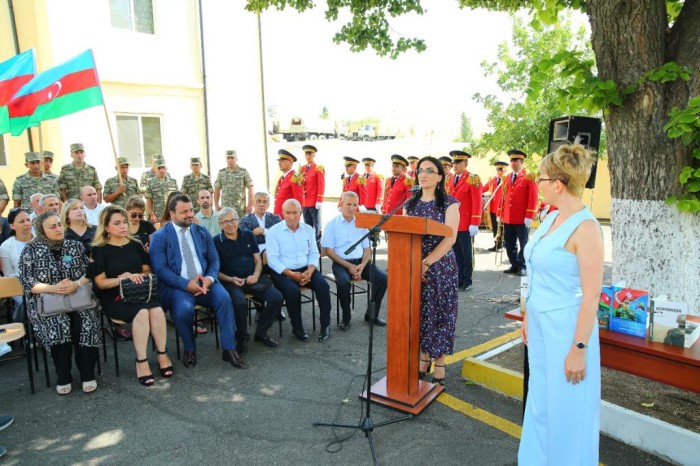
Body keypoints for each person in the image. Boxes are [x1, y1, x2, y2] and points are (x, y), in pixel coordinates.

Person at [518, 142, 602, 465]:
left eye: (540, 178)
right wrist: (527, 315)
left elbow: (591, 294)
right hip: (540, 327)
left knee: (567, 411)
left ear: (557, 184)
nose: (536, 183)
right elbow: (536, 269)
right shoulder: (551, 218)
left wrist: (579, 348)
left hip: (567, 331)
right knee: (541, 405)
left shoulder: (587, 228)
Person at [149, 194, 244, 369]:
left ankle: (229, 349)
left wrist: (208, 279)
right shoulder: (160, 237)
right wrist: (186, 284)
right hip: (178, 286)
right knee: (183, 310)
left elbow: (214, 260)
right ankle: (190, 349)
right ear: (172, 214)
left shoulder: (201, 232)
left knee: (224, 299)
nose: (190, 214)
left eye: (191, 210)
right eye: (184, 211)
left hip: (205, 282)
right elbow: (160, 269)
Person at [18, 212, 101, 395]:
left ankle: (88, 373)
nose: (59, 229)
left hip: (77, 299)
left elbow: (89, 272)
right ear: (41, 230)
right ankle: (63, 375)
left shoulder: (75, 246)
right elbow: (27, 282)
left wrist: (75, 284)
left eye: (59, 224)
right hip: (47, 302)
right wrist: (54, 288)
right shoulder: (30, 250)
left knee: (85, 322)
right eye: (52, 226)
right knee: (58, 324)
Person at [92, 206, 174, 386]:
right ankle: (141, 361)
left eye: (124, 222)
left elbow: (147, 270)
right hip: (115, 296)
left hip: (141, 292)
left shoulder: (135, 244)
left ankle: (162, 353)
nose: (123, 226)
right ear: (106, 227)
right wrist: (122, 279)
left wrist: (137, 277)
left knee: (158, 310)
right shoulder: (100, 250)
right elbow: (100, 283)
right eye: (117, 223)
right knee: (143, 313)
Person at [405, 156, 459, 386]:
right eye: (420, 170)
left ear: (439, 177)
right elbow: (405, 236)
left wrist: (426, 263)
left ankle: (440, 362)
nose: (423, 174)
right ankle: (424, 357)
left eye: (429, 170)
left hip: (440, 266)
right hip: (415, 266)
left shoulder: (449, 203)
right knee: (422, 315)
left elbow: (450, 237)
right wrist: (414, 264)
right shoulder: (410, 204)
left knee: (440, 315)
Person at [214, 207, 283, 351]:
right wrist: (231, 279)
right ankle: (242, 338)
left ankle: (261, 332)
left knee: (276, 297)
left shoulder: (248, 235)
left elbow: (258, 260)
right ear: (220, 224)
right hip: (231, 282)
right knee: (239, 303)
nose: (230, 224)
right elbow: (215, 271)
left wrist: (256, 275)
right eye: (225, 221)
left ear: (238, 220)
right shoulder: (216, 242)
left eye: (233, 220)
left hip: (253, 278)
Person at [266, 199, 332, 342]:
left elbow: (314, 253)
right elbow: (272, 260)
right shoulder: (274, 232)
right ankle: (297, 328)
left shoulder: (307, 229)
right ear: (282, 213)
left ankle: (325, 325)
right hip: (283, 272)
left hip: (306, 269)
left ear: (300, 213)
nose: (291, 216)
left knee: (323, 286)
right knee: (292, 291)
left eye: (295, 212)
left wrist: (310, 270)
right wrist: (291, 274)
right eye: (288, 213)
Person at [322, 192, 387, 330]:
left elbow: (367, 250)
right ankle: (346, 317)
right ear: (341, 204)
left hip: (360, 262)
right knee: (343, 283)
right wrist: (350, 266)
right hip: (341, 262)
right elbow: (330, 252)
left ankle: (372, 314)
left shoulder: (361, 223)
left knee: (382, 278)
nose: (351, 208)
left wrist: (362, 266)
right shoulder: (332, 224)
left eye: (355, 205)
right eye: (348, 204)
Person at [499, 149, 538, 276]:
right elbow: (503, 197)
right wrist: (500, 213)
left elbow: (533, 197)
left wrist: (529, 215)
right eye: (511, 160)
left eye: (516, 160)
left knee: (524, 244)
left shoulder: (529, 177)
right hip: (509, 217)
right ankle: (514, 264)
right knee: (509, 244)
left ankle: (523, 265)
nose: (513, 163)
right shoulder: (507, 177)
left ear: (522, 161)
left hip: (522, 218)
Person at [448, 150, 482, 292]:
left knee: (467, 254)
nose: (455, 165)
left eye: (458, 163)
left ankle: (468, 280)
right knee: (455, 254)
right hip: (453, 224)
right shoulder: (449, 180)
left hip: (466, 223)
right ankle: (459, 278)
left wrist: (475, 222)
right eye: (453, 163)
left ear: (465, 163)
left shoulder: (472, 179)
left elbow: (477, 202)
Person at [0, 208, 34, 322]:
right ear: (12, 226)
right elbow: (9, 275)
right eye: (22, 221)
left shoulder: (41, 240)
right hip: (20, 287)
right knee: (27, 302)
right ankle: (25, 333)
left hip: (44, 283)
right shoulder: (6, 247)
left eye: (28, 220)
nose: (27, 223)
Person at [214, 150, 254, 217]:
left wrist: (250, 205)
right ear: (225, 160)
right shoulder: (221, 173)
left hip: (239, 209)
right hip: (225, 208)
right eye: (228, 158)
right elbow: (216, 189)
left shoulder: (243, 172)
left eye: (232, 158)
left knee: (240, 226)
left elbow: (251, 187)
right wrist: (216, 204)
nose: (230, 160)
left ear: (236, 159)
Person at [300, 145, 325, 244]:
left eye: (310, 154)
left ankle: (318, 246)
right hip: (305, 202)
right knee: (307, 226)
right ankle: (309, 244)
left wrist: (319, 200)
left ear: (314, 155)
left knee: (317, 226)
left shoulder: (318, 168)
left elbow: (321, 184)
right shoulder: (302, 169)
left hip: (314, 202)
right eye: (306, 154)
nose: (308, 156)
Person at [482, 161, 508, 251]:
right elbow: (483, 188)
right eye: (497, 169)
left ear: (505, 169)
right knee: (495, 226)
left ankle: (505, 243)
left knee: (503, 227)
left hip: (503, 208)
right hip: (493, 208)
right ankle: (497, 244)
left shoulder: (508, 179)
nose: (499, 171)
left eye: (501, 169)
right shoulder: (492, 179)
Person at [146, 158, 179, 223]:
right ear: (155, 170)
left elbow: (177, 198)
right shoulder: (151, 183)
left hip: (171, 214)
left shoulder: (173, 182)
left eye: (163, 168)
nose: (161, 170)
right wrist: (152, 214)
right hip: (158, 215)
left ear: (166, 169)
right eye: (159, 168)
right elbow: (149, 201)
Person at [272, 149, 303, 216]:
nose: (279, 163)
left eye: (282, 161)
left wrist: (295, 217)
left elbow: (298, 200)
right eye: (279, 161)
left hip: (288, 218)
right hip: (278, 215)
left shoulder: (295, 177)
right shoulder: (281, 178)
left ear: (291, 162)